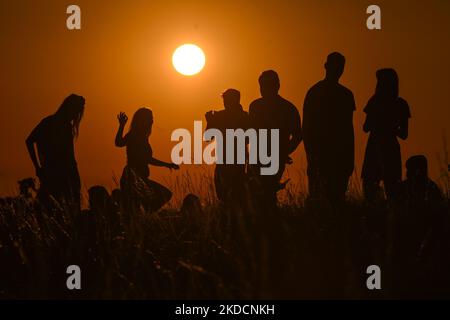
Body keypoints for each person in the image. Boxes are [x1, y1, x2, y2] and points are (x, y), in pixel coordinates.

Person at [303, 52, 355, 204]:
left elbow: (348, 128)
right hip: (320, 153)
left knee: (337, 198)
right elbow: (306, 127)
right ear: (326, 66)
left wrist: (349, 157)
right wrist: (311, 155)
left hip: (339, 155)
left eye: (341, 67)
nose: (338, 70)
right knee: (319, 198)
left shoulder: (346, 94)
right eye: (335, 66)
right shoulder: (315, 92)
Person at [248, 70, 302, 207]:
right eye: (262, 86)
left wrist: (284, 152)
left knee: (265, 193)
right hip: (257, 159)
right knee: (260, 194)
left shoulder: (287, 108)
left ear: (277, 86)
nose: (264, 90)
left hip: (271, 159)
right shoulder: (256, 107)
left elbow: (298, 135)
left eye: (267, 86)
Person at [26, 94, 85, 211]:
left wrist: (38, 167)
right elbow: (29, 141)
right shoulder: (50, 123)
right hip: (57, 174)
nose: (76, 116)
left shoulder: (61, 125)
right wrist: (37, 167)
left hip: (62, 174)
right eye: (76, 112)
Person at [115, 108, 179, 214]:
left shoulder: (140, 136)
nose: (152, 121)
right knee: (164, 195)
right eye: (150, 118)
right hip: (134, 178)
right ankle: (147, 213)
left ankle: (146, 213)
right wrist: (167, 165)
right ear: (143, 120)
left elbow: (119, 143)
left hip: (138, 177)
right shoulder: (136, 136)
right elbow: (119, 143)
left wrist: (167, 165)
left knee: (138, 208)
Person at [362, 68, 411, 200]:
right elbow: (404, 134)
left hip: (376, 147)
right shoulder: (400, 104)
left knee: (373, 188)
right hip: (388, 147)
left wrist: (382, 124)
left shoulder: (375, 102)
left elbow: (365, 128)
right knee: (391, 188)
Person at [205, 89, 250, 205]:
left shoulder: (220, 116)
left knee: (226, 194)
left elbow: (208, 137)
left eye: (226, 100)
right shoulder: (245, 116)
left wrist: (210, 121)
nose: (225, 103)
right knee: (235, 192)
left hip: (227, 161)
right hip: (237, 160)